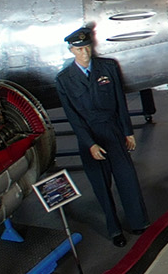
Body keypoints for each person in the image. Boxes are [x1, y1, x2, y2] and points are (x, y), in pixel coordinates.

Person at [55, 26, 148, 246]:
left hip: (113, 129)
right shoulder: (64, 80)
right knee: (101, 185)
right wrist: (90, 144)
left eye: (87, 47)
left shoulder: (108, 68)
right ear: (71, 51)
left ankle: (138, 222)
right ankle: (115, 230)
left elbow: (119, 101)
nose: (84, 53)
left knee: (127, 178)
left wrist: (128, 131)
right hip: (90, 135)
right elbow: (73, 117)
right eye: (79, 50)